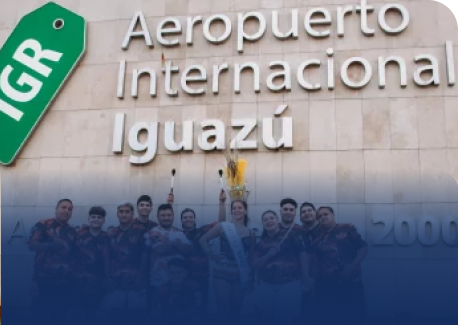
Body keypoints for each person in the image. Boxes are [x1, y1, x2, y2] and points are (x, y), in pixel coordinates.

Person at [199, 199, 256, 325]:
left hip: (239, 273)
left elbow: (251, 258)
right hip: (221, 272)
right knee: (223, 307)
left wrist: (251, 277)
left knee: (236, 307)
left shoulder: (251, 233)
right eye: (234, 208)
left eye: (240, 208)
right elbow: (203, 240)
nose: (236, 210)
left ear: (245, 210)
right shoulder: (223, 227)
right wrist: (211, 255)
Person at [252, 210, 313, 325]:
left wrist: (305, 275)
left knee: (284, 319)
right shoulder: (262, 242)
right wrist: (268, 255)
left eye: (271, 218)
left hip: (290, 284)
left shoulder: (291, 235)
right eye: (265, 219)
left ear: (277, 220)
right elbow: (254, 264)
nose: (269, 221)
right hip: (266, 285)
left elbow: (302, 254)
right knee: (269, 319)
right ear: (263, 223)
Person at [174, 190, 227, 321]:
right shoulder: (176, 234)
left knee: (201, 310)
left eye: (191, 217)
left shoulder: (202, 231)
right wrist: (170, 203)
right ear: (181, 220)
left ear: (194, 219)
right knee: (181, 311)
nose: (188, 219)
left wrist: (222, 203)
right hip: (181, 279)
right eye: (185, 217)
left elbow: (221, 222)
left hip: (201, 278)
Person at [313, 206, 368, 325]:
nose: (323, 217)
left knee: (356, 317)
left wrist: (353, 265)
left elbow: (363, 248)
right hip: (328, 287)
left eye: (325, 214)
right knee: (333, 318)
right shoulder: (317, 239)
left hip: (352, 282)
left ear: (333, 215)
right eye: (320, 216)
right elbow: (317, 263)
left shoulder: (347, 229)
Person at [27, 199, 77, 325]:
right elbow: (32, 245)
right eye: (63, 207)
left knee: (59, 318)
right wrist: (50, 245)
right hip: (43, 281)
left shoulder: (72, 231)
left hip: (64, 284)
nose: (66, 211)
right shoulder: (44, 224)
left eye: (69, 209)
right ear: (56, 209)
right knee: (39, 317)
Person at [104, 202, 148, 325]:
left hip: (136, 282)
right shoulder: (111, 233)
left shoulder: (141, 232)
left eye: (127, 211)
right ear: (117, 214)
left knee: (137, 317)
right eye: (121, 212)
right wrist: (107, 278)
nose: (124, 214)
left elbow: (145, 255)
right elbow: (107, 256)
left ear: (132, 214)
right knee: (115, 317)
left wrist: (141, 277)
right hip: (116, 282)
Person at [146, 203, 193, 315]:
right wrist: (178, 247)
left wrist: (172, 244)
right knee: (158, 316)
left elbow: (190, 250)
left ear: (173, 216)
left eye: (169, 215)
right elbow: (160, 250)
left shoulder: (179, 233)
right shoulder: (154, 232)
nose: (166, 218)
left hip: (178, 283)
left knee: (177, 316)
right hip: (158, 282)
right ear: (158, 217)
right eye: (163, 215)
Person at [72, 206, 110, 325]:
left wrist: (107, 278)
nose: (96, 219)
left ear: (103, 220)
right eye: (93, 217)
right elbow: (71, 255)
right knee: (76, 312)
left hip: (96, 282)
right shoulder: (78, 235)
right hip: (78, 281)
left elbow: (106, 258)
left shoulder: (106, 237)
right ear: (88, 219)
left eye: (99, 217)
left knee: (92, 314)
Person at [152, 258, 203, 325]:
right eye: (172, 272)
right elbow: (156, 318)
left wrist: (172, 318)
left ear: (185, 273)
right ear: (168, 273)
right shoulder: (160, 291)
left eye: (179, 272)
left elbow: (197, 312)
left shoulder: (194, 286)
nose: (176, 275)